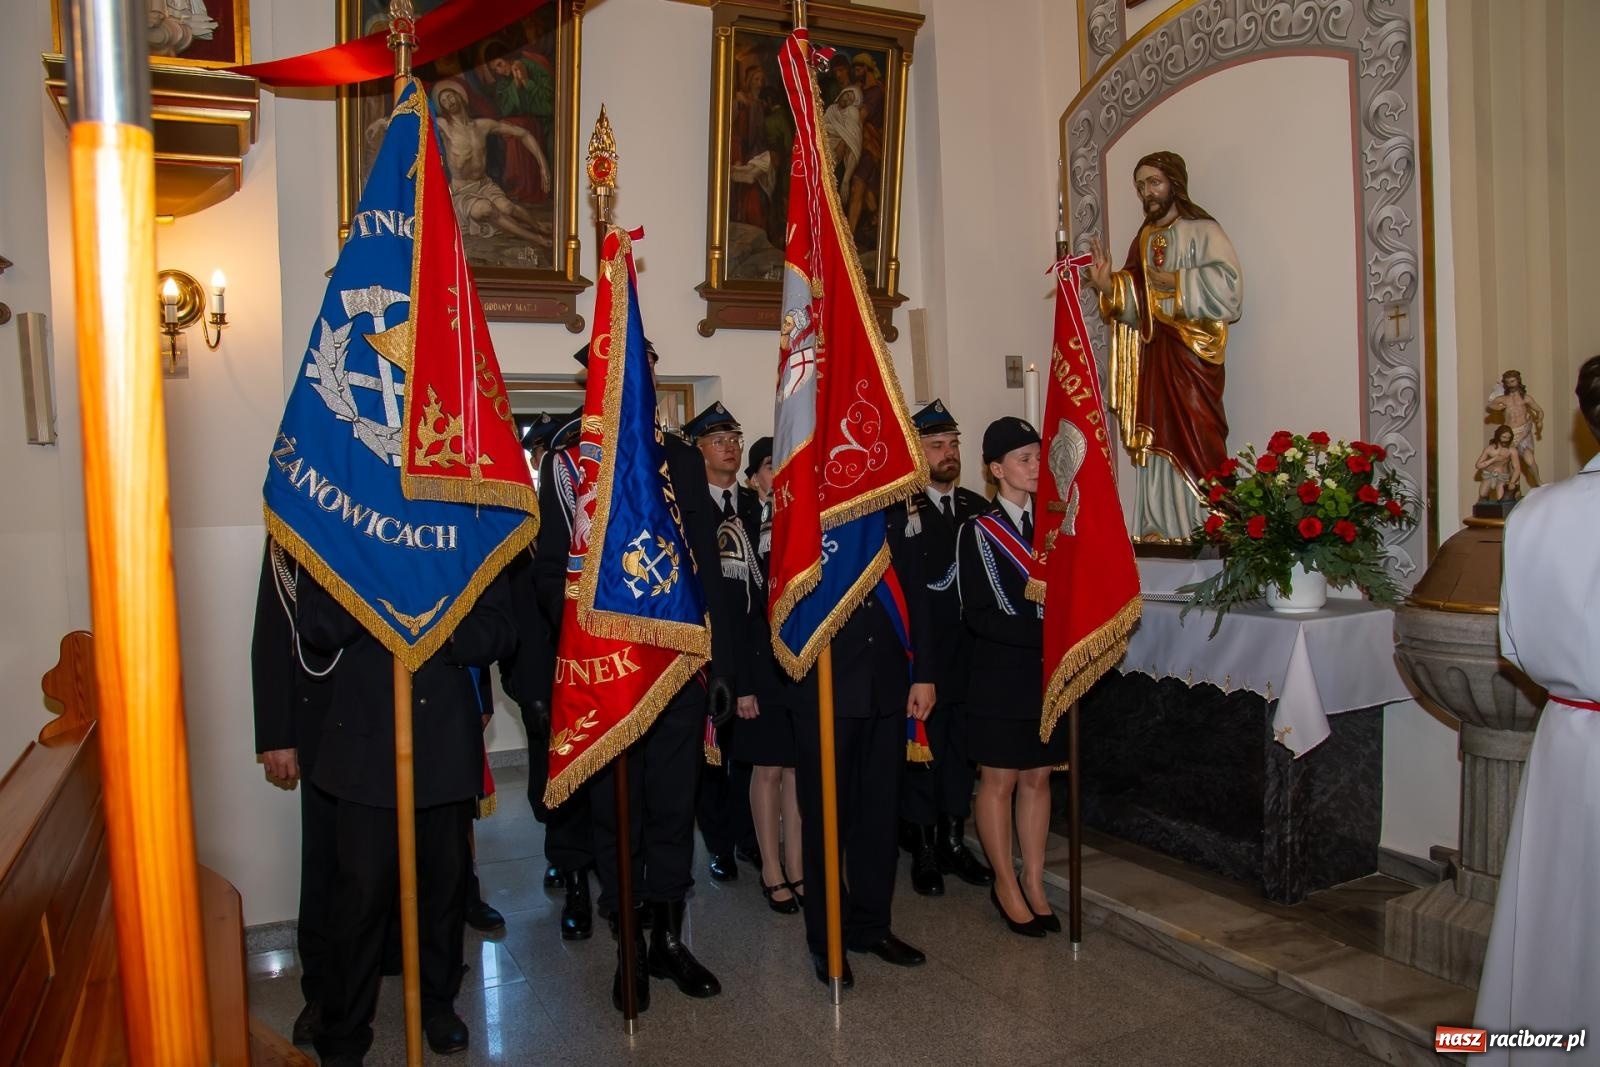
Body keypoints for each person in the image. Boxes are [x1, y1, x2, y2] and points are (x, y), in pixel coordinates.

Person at [537, 345, 738, 1013]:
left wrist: (720, 664)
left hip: (678, 669)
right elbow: (550, 577)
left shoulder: (679, 457)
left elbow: (706, 567)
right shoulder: (571, 463)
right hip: (611, 676)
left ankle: (668, 939)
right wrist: (585, 645)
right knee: (617, 816)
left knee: (674, 809)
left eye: (644, 368)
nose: (635, 378)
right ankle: (628, 943)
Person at [299, 568, 517, 1065]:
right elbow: (317, 624)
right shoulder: (344, 535)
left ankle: (438, 1003)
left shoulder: (461, 534)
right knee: (361, 892)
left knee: (444, 883)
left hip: (444, 739)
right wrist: (376, 593)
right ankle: (344, 1028)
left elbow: (501, 630)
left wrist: (444, 628)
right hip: (365, 742)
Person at [1475, 355, 1600, 1064]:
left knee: (1555, 916)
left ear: (1583, 417)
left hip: (1569, 735)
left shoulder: (1537, 511)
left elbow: (1514, 643)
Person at [793, 498, 935, 988]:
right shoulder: (807, 504)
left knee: (879, 817)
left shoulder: (893, 508)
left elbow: (915, 590)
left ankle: (872, 927)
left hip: (888, 683)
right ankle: (826, 939)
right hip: (825, 686)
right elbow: (785, 594)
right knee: (825, 820)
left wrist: (924, 673)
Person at [1085, 150, 1244, 541]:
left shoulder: (1203, 230)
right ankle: (1161, 524)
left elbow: (1231, 290)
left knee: (1198, 432)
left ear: (1175, 183)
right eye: (1141, 185)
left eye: (1154, 182)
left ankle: (1206, 519)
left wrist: (1178, 282)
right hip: (1156, 354)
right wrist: (1109, 286)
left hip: (1193, 356)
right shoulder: (1143, 239)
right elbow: (1135, 299)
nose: (1147, 192)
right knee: (1157, 433)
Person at [958, 417, 1068, 939]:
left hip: (1047, 676)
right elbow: (978, 613)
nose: (1035, 466)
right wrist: (1048, 635)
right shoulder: (977, 530)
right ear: (996, 469)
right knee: (999, 781)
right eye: (1024, 459)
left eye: (1039, 457)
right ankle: (1004, 883)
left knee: (1038, 776)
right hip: (1001, 674)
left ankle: (1034, 879)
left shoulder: (1056, 526)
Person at [899, 401, 994, 897]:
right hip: (921, 655)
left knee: (960, 753)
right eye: (936, 446)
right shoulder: (901, 511)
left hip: (970, 657)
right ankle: (924, 848)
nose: (948, 453)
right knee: (922, 752)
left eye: (953, 444)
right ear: (917, 453)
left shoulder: (977, 509)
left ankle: (954, 840)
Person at [251, 538, 341, 1048]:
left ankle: (398, 958)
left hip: (394, 717)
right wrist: (276, 734)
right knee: (325, 861)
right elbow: (272, 631)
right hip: (324, 720)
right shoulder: (296, 522)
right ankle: (322, 990)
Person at [716, 430, 808, 915]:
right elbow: (736, 615)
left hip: (800, 666)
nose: (781, 472)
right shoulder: (740, 526)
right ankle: (771, 869)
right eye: (773, 465)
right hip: (759, 667)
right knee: (767, 769)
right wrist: (743, 685)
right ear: (755, 478)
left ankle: (797, 865)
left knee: (795, 769)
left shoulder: (804, 519)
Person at [684, 402, 762, 883]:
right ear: (698, 451)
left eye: (734, 440)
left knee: (752, 754)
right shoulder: (686, 508)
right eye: (718, 441)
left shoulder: (757, 505)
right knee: (712, 756)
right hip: (707, 649)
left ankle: (749, 836)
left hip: (755, 647)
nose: (730, 448)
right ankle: (718, 843)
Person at [430, 79, 549, 244]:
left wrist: (543, 166)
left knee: (507, 207)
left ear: (460, 97)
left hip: (484, 184)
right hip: (461, 191)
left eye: (450, 97)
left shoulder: (483, 125)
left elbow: (523, 134)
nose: (448, 102)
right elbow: (418, 123)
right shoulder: (444, 126)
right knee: (485, 209)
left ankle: (537, 226)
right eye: (443, 101)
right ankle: (535, 238)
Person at [1487, 369, 1546, 487]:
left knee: (1529, 460)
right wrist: (1497, 407)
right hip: (1509, 434)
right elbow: (1490, 405)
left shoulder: (1526, 398)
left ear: (1518, 381)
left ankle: (1538, 481)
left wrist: (1539, 421)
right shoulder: (1503, 399)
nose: (1510, 384)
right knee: (1511, 464)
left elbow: (1539, 411)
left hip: (1523, 432)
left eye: (1512, 381)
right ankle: (1514, 488)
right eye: (1508, 382)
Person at [1474, 425, 1523, 502]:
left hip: (1502, 477)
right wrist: (1494, 459)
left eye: (1508, 438)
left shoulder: (1512, 451)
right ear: (1498, 436)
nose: (1506, 440)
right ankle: (1485, 506)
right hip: (1489, 475)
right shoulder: (1490, 449)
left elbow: (1517, 468)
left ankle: (1512, 497)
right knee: (1483, 494)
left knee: (1501, 498)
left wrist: (1512, 482)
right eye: (1504, 437)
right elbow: (1478, 465)